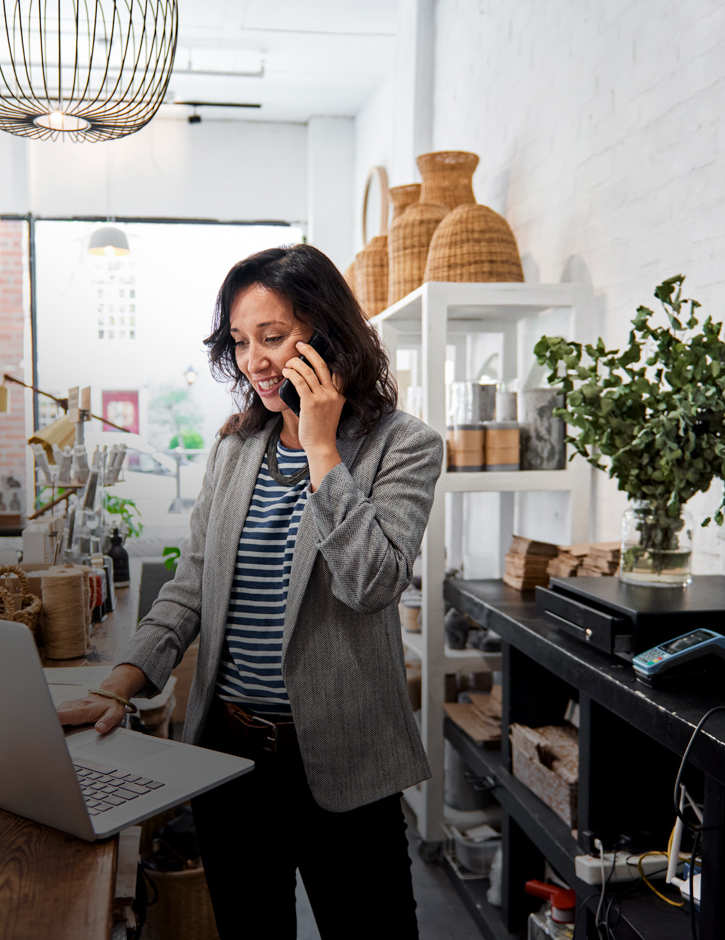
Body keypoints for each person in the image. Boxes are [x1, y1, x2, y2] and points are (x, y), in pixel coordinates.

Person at [57, 244, 442, 937]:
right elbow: (191, 587)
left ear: (328, 335)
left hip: (347, 766)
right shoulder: (236, 451)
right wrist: (122, 680)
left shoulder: (402, 446)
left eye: (273, 336)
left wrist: (322, 449)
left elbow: (373, 583)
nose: (254, 361)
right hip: (231, 765)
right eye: (240, 341)